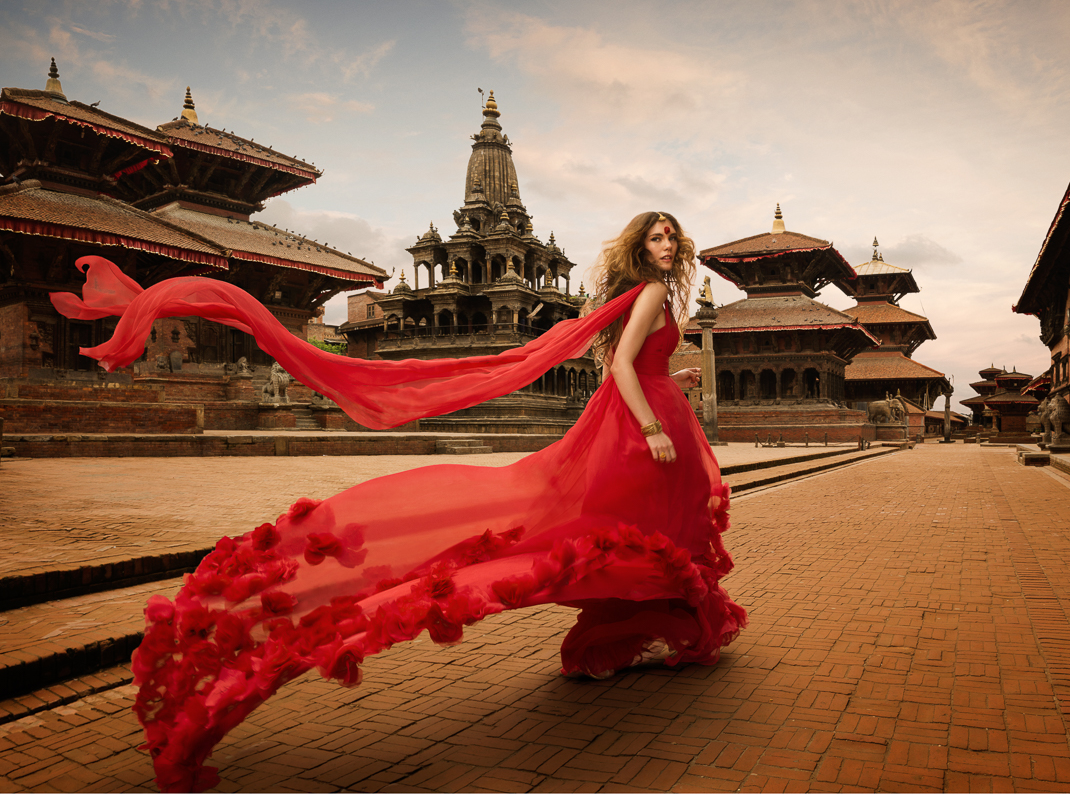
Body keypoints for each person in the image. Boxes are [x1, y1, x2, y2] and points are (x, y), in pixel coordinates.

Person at [51, 211, 746, 793]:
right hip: (641, 428)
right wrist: (651, 425)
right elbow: (620, 364)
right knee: (611, 535)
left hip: (648, 412)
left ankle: (628, 629)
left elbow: (635, 362)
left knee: (631, 532)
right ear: (640, 247)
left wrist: (672, 378)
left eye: (672, 237)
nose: (668, 245)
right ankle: (638, 624)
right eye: (657, 237)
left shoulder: (649, 295)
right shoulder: (649, 292)